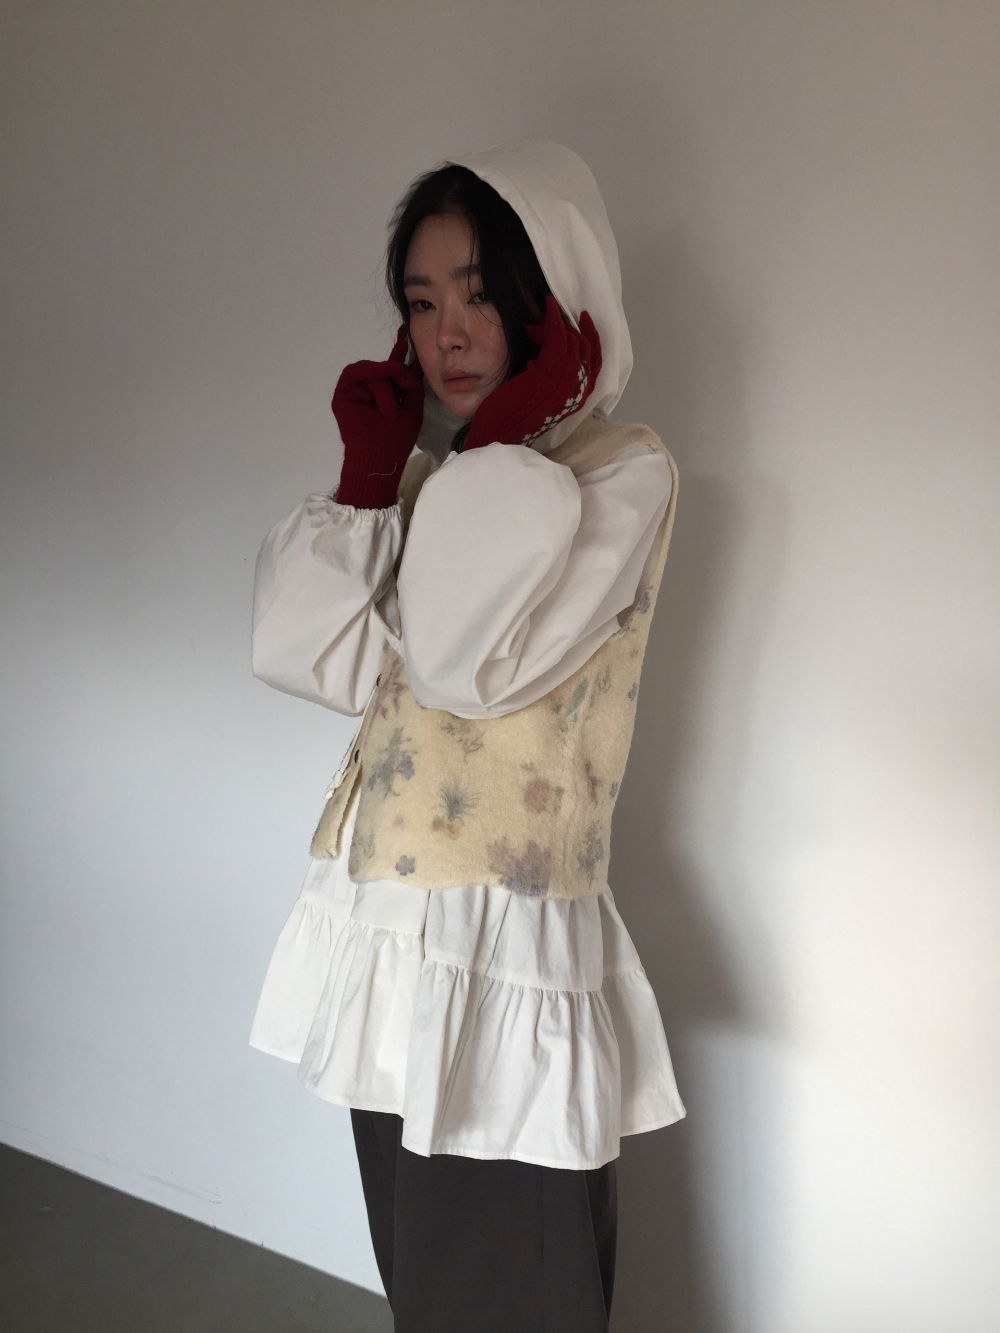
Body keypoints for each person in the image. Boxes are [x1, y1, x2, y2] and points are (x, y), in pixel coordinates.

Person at [248, 139, 685, 1332]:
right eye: (421, 302)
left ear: (554, 300)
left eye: (481, 295)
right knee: (428, 1276)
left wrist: (492, 448)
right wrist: (365, 479)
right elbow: (312, 660)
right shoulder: (433, 484)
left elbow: (458, 664)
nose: (447, 334)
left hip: (503, 942)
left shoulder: (619, 473)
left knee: (512, 1283)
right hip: (392, 931)